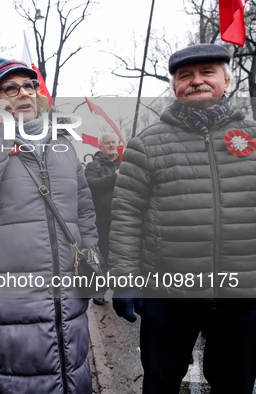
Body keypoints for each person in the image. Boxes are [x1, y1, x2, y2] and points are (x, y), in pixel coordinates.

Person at [109, 44, 256, 394]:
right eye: (185, 76)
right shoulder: (146, 145)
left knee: (235, 383)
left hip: (242, 293)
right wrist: (125, 279)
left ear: (225, 79)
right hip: (168, 293)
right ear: (174, 85)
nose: (196, 81)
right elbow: (127, 215)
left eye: (206, 72)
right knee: (161, 383)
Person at [0, 58, 97, 393]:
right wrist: (0, 130)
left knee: (71, 375)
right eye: (11, 88)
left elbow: (84, 209)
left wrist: (93, 257)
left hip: (68, 298)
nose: (25, 93)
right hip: (9, 304)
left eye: (30, 85)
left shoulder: (60, 142)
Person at [84, 133, 120, 305]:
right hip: (102, 222)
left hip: (122, 220)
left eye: (113, 142)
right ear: (100, 147)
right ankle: (100, 290)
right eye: (107, 142)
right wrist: (115, 176)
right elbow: (91, 185)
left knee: (122, 257)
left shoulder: (125, 163)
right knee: (102, 257)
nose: (111, 144)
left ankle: (124, 291)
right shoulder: (94, 165)